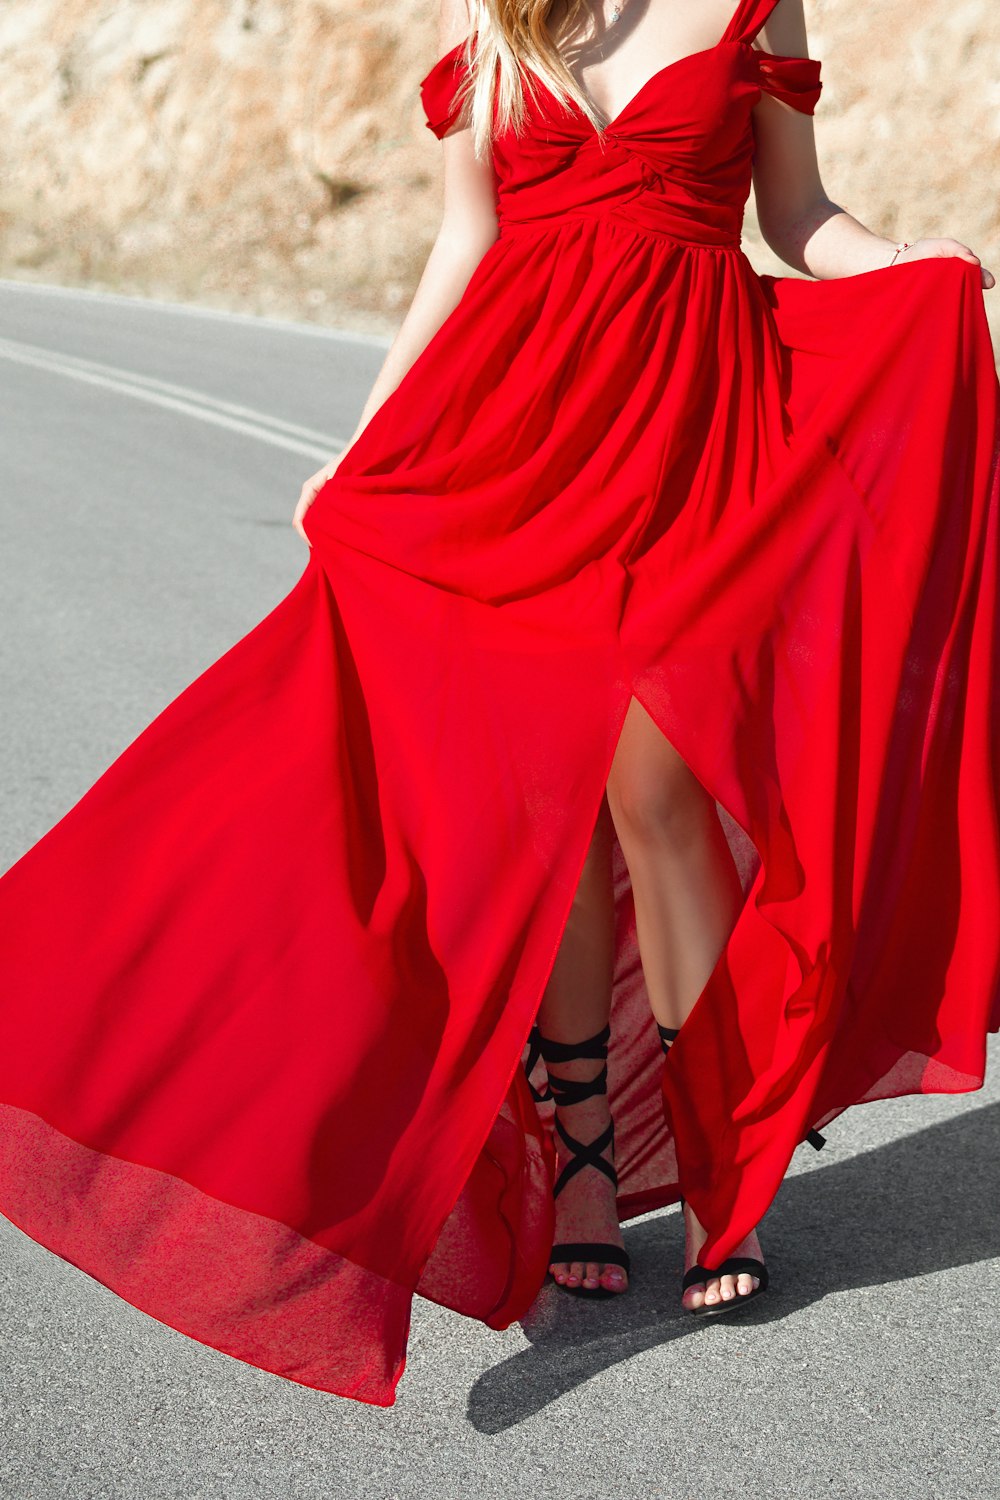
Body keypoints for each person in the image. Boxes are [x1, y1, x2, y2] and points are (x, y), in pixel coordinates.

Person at [0, 0, 997, 1408]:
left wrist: (911, 267)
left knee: (658, 788)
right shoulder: (497, 33)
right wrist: (362, 446)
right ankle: (583, 1159)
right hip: (512, 455)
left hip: (689, 455)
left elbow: (798, 214)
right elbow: (464, 251)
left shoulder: (755, 12)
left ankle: (731, 1154)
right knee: (552, 808)